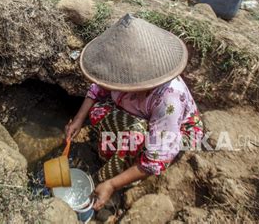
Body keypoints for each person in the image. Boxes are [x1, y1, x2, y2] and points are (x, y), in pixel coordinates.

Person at [65, 14, 204, 211]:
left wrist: (112, 185)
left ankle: (122, 172)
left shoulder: (168, 100)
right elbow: (98, 88)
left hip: (171, 130)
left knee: (134, 135)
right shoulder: (120, 72)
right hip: (138, 112)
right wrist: (78, 119)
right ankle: (112, 151)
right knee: (98, 111)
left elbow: (156, 159)